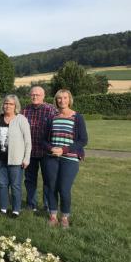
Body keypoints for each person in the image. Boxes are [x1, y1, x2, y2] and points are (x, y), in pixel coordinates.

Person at [43, 90, 88, 228]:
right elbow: (43, 140)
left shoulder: (77, 117)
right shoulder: (52, 117)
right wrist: (51, 149)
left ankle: (64, 217)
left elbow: (83, 140)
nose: (62, 100)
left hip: (70, 158)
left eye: (65, 98)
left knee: (64, 188)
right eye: (59, 98)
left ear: (69, 99)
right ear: (56, 101)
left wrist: (64, 150)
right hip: (52, 158)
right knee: (51, 187)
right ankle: (53, 216)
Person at [0, 95, 31, 217]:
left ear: (16, 106)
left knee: (15, 185)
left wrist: (26, 158)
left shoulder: (21, 119)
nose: (8, 106)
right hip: (0, 159)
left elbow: (28, 141)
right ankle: (3, 209)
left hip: (16, 160)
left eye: (11, 104)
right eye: (6, 103)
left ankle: (15, 210)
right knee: (2, 184)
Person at [21, 86, 57, 211]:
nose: (35, 97)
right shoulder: (24, 110)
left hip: (46, 152)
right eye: (32, 94)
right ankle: (31, 204)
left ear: (43, 96)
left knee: (48, 180)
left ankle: (47, 205)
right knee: (30, 180)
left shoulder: (51, 110)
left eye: (38, 95)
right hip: (29, 152)